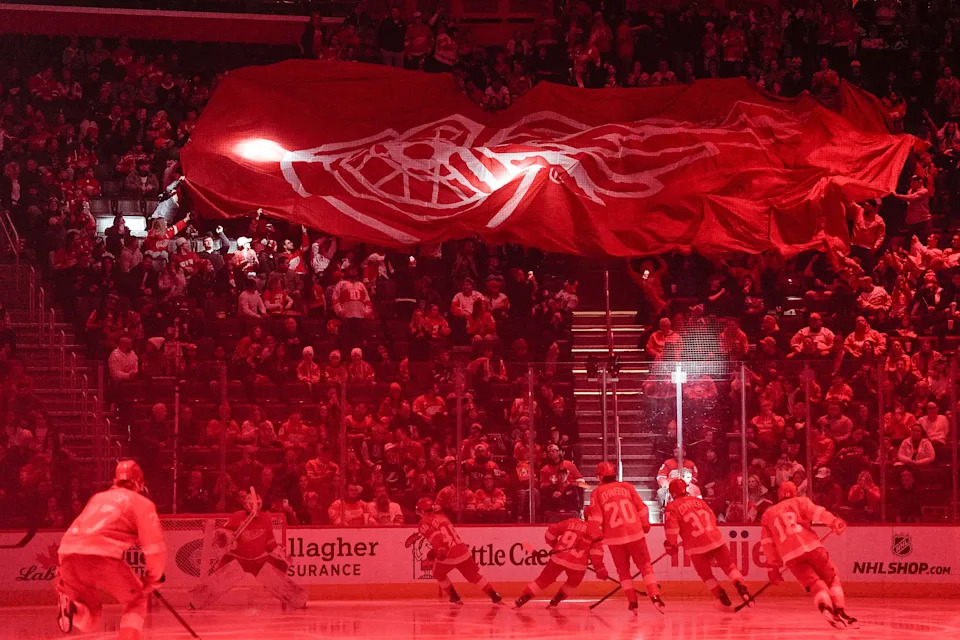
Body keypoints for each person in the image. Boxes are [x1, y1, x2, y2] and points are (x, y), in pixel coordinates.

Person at [56, 461, 166, 639]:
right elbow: (154, 548)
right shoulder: (142, 504)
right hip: (102, 555)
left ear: (115, 480)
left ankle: (73, 609)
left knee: (90, 618)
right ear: (141, 483)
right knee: (136, 601)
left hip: (68, 554)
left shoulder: (98, 498)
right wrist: (154, 578)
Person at [189, 488, 306, 610]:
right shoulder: (237, 516)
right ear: (245, 505)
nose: (256, 507)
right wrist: (224, 535)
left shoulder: (265, 518)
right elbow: (222, 535)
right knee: (219, 579)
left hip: (259, 559)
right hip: (237, 558)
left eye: (258, 504)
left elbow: (270, 543)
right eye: (253, 504)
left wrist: (279, 553)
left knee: (275, 577)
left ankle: (298, 599)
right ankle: (197, 599)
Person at [760, 481, 856, 629]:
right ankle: (839, 610)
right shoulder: (800, 501)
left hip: (790, 556)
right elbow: (817, 513)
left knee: (814, 583)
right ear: (795, 492)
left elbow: (767, 543)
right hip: (812, 546)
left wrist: (773, 568)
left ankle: (825, 608)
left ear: (779, 494)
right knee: (831, 578)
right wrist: (834, 521)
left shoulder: (768, 514)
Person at [588, 461, 665, 612]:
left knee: (623, 570)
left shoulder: (596, 493)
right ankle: (655, 596)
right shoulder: (627, 487)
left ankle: (632, 601)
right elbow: (642, 508)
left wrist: (594, 536)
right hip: (635, 533)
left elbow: (595, 519)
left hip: (613, 537)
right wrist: (645, 524)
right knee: (645, 566)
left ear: (600, 476)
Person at [662, 479, 751, 608]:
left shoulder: (671, 507)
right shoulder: (699, 501)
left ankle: (720, 595)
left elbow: (672, 529)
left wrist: (672, 544)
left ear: (672, 492)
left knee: (705, 574)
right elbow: (712, 518)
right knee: (729, 566)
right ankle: (740, 585)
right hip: (715, 539)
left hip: (695, 546)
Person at [414, 497, 502, 604]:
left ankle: (454, 596)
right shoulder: (442, 517)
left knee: (438, 573)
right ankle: (494, 595)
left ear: (422, 510)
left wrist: (439, 550)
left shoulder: (423, 522)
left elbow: (437, 538)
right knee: (474, 576)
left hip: (448, 552)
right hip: (462, 549)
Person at [514, 507, 607, 609]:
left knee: (543, 580)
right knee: (572, 583)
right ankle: (556, 600)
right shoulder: (597, 533)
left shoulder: (571, 522)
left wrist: (555, 545)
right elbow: (596, 554)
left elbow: (551, 532)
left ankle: (523, 598)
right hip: (577, 565)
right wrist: (600, 569)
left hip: (557, 558)